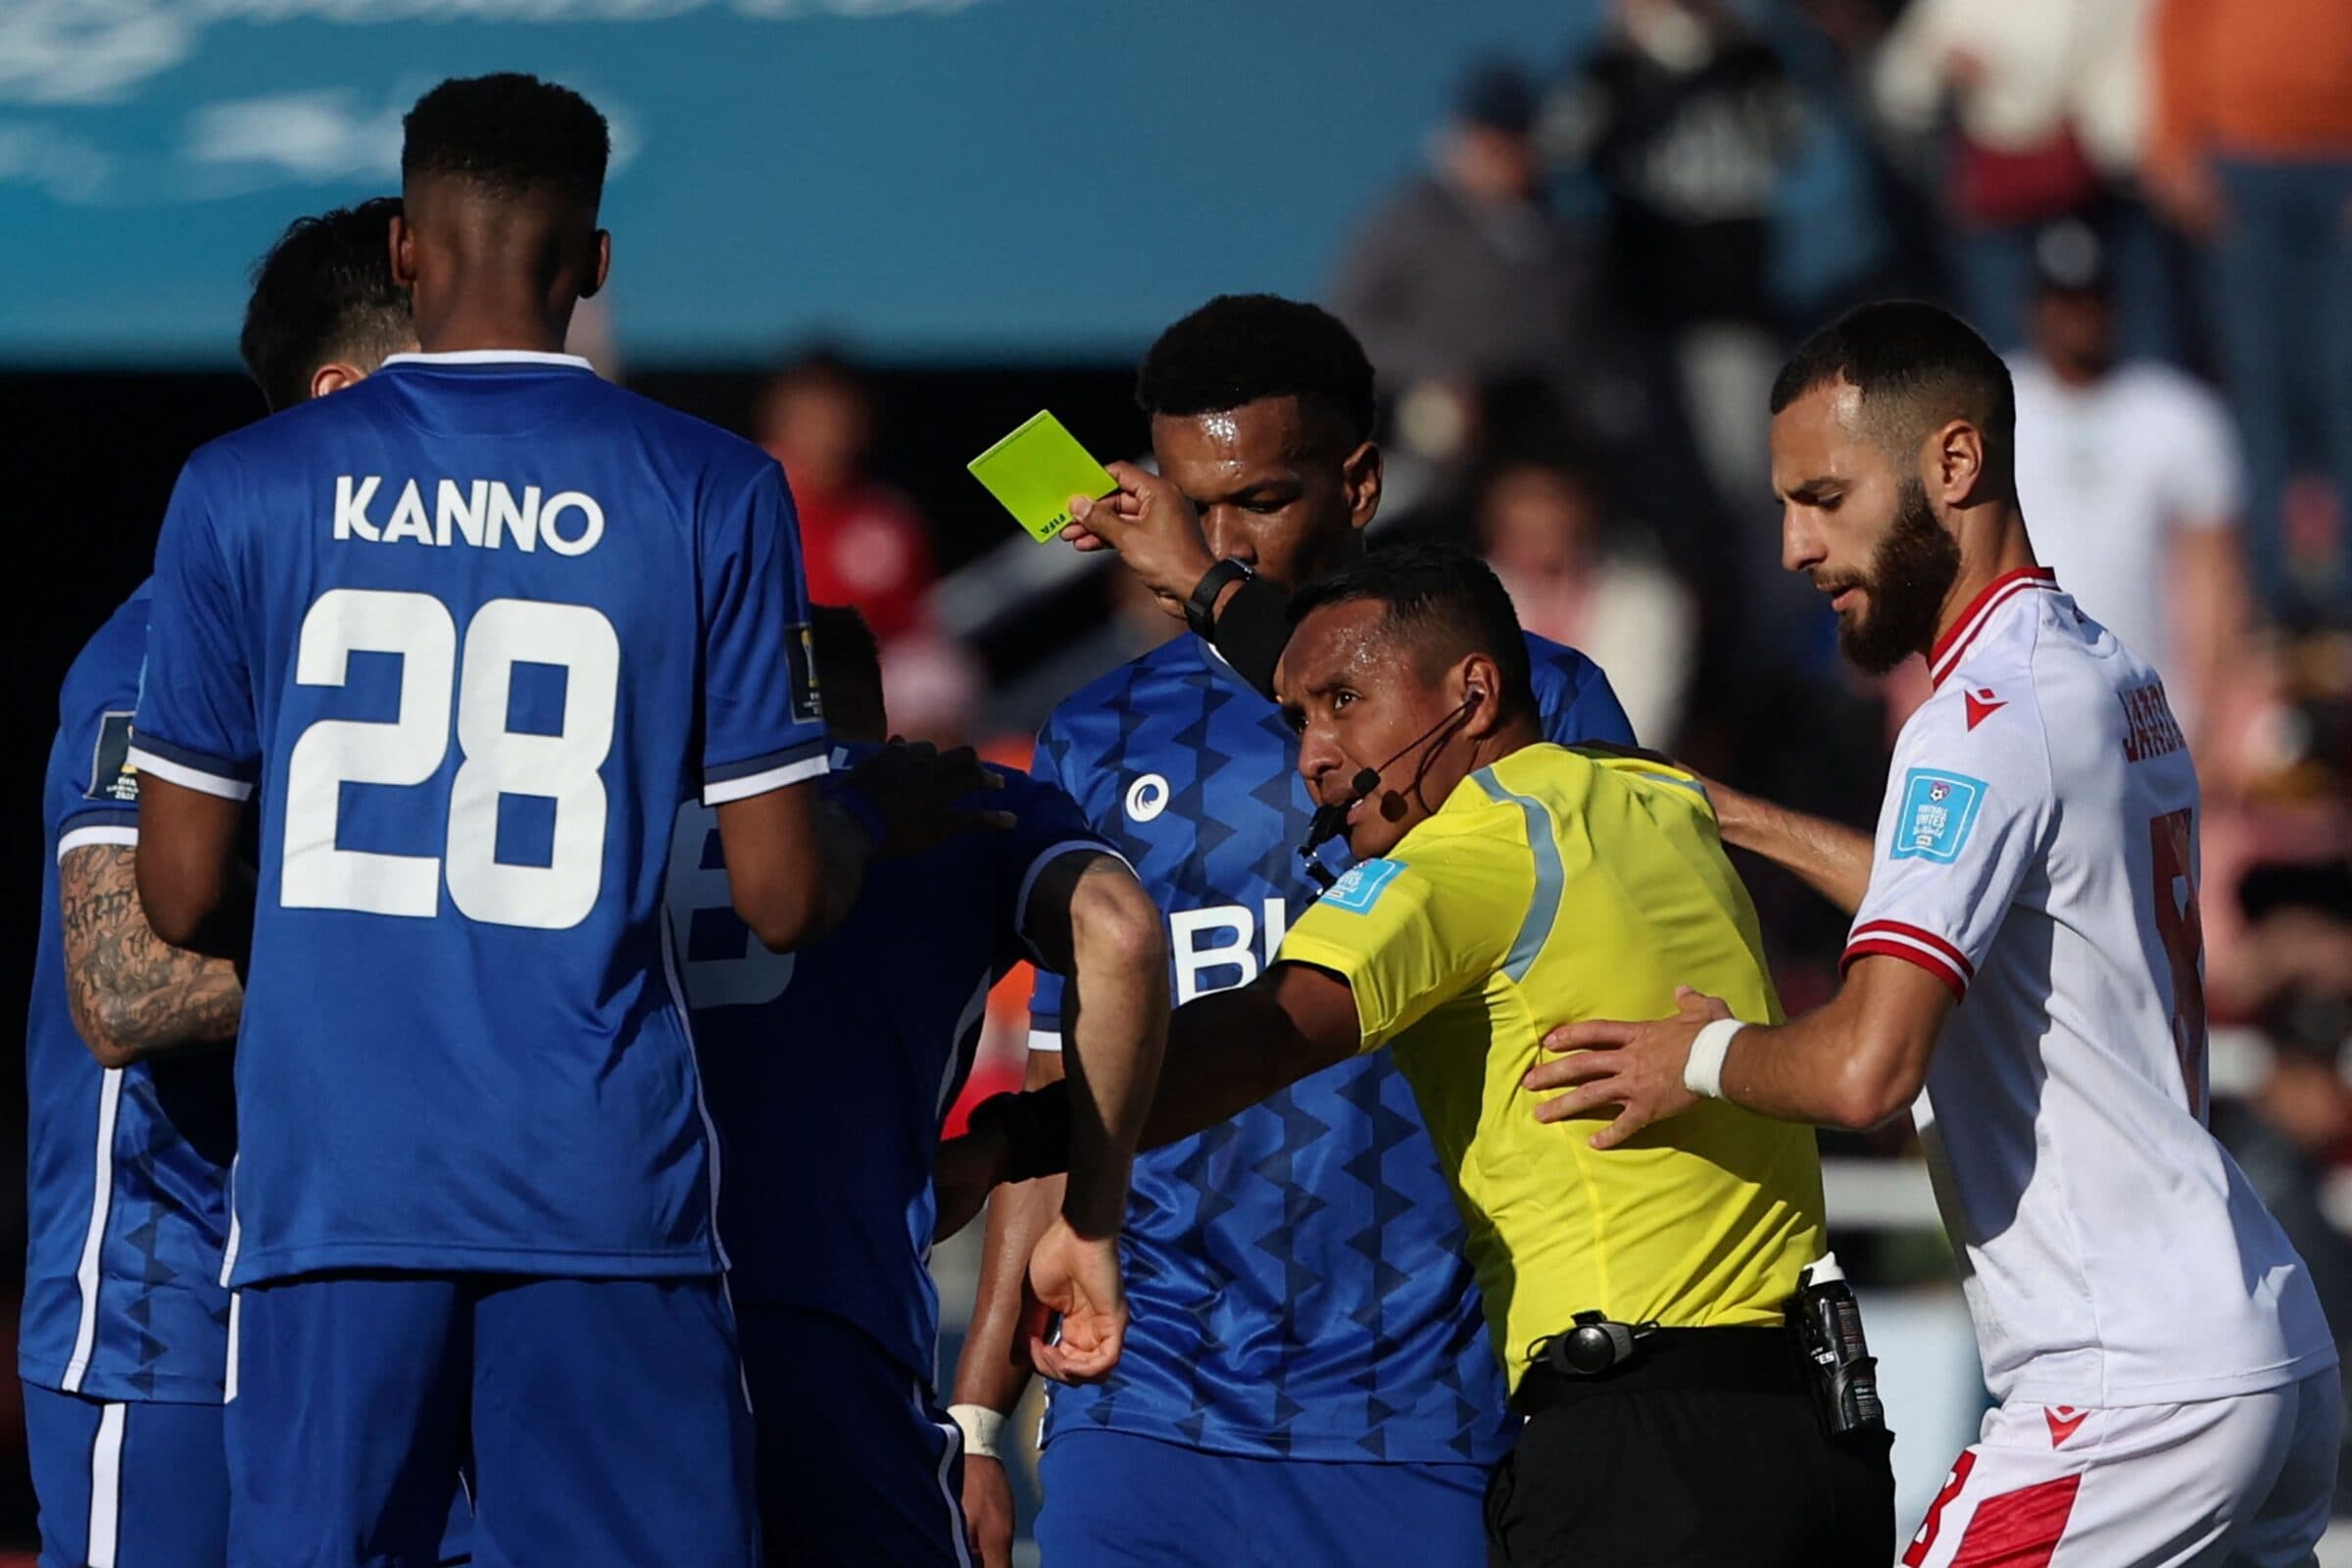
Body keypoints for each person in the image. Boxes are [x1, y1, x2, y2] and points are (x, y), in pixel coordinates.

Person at [123, 74, 986, 1566]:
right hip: (600, 1184)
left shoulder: (240, 487)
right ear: (594, 263)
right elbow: (783, 897)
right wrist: (869, 810)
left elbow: (183, 891)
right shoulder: (712, 489)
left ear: (403, 248)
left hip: (338, 1183)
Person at [1529, 301, 2339, 1565]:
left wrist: (1693, 1059)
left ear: (1953, 464)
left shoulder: (1976, 713)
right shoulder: (2097, 669)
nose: (1796, 545)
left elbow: (1866, 1069)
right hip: (2262, 1342)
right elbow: (1981, 904)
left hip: (2128, 1385)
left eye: (1824, 497)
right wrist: (1738, 816)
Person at [945, 545, 1893, 1567]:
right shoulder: (1651, 795)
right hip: (1821, 1433)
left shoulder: (1467, 852)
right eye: (1303, 714)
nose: (1312, 752)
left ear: (1475, 695)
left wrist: (1012, 1140)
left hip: (1643, 1452)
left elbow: (1265, 1033)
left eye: (1342, 702)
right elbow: (1930, 901)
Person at [948, 296, 1635, 1568]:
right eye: (1192, 505)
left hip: (1425, 1416)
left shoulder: (1523, 706)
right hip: (1141, 1406)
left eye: (1260, 499)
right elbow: (1062, 1068)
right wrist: (982, 1412)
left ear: (1360, 484)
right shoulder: (1097, 738)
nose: (1219, 542)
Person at [24, 198, 421, 1568]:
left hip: (345, 1308)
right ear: (341, 401)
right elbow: (122, 991)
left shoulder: (408, 663)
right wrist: (451, 957)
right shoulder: (157, 653)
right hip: (164, 1326)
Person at [666, 605, 1167, 1566]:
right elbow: (1119, 932)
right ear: (877, 713)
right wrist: (1088, 1215)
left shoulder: (626, 811)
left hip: (602, 1300)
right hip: (828, 1311)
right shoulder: (959, 807)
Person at [2147, 0, 2352, 628]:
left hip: (2338, 164)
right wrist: (2175, 153)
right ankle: (2266, 604)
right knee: (2256, 393)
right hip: (2238, 164)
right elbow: (2177, 27)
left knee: (2341, 382)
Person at [2009, 220, 2250, 753]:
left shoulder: (2176, 414)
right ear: (2034, 307)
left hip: (2147, 715)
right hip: (2018, 712)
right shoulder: (1992, 407)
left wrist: (2211, 718)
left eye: (2091, 300)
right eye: (2062, 301)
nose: (2077, 318)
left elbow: (2215, 579)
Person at [1477, 457, 1697, 748]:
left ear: (1583, 516)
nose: (1537, 547)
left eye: (1550, 529)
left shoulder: (1649, 604)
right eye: (1522, 532)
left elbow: (1635, 732)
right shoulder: (1466, 603)